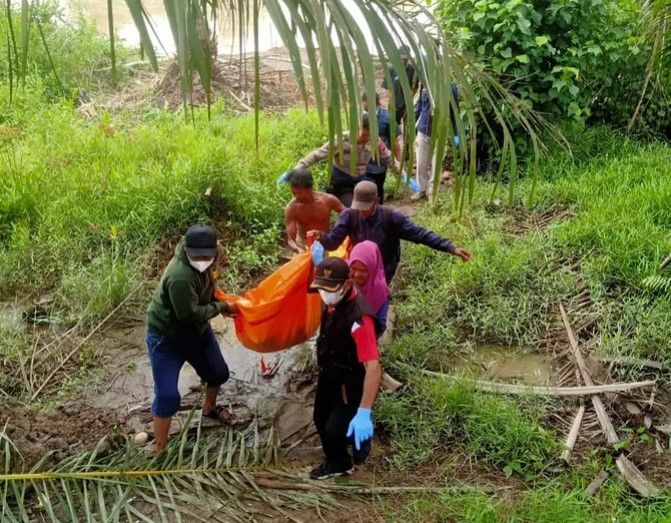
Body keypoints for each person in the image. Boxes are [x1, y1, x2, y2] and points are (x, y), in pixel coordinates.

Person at [146, 224, 239, 454]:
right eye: (197, 256)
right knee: (167, 396)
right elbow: (188, 314)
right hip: (167, 338)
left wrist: (218, 301)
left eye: (208, 256)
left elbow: (206, 289)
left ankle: (209, 409)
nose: (203, 260)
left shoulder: (213, 255)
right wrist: (221, 307)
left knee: (218, 373)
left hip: (197, 332)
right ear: (185, 249)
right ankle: (160, 449)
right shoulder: (179, 276)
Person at [308, 181, 471, 284]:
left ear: (377, 201)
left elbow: (420, 234)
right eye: (359, 207)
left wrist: (450, 247)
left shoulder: (391, 218)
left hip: (384, 268)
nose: (362, 212)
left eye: (366, 208)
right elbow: (334, 241)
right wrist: (321, 237)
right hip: (359, 266)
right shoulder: (349, 215)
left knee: (377, 297)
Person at [308, 257, 381, 479]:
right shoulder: (331, 298)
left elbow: (373, 366)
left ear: (347, 285)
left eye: (331, 289)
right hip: (329, 371)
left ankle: (341, 461)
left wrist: (365, 411)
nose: (325, 294)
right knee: (320, 417)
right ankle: (339, 456)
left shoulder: (360, 319)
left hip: (351, 380)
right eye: (322, 288)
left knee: (335, 428)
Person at [295, 112, 397, 207]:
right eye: (364, 135)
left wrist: (403, 173)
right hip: (342, 182)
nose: (367, 138)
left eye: (370, 135)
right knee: (353, 209)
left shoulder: (375, 140)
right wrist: (299, 167)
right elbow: (317, 155)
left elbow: (387, 156)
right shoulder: (340, 141)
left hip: (360, 179)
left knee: (371, 205)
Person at [412, 82, 461, 201]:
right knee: (421, 164)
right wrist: (414, 131)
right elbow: (419, 107)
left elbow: (455, 112)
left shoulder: (451, 88)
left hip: (440, 133)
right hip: (423, 130)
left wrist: (456, 134)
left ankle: (432, 193)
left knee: (436, 165)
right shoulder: (424, 83)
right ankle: (421, 189)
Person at [284, 168, 345, 253]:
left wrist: (338, 233)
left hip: (324, 242)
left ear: (310, 188)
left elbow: (349, 216)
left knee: (324, 265)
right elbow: (290, 240)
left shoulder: (328, 200)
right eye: (294, 193)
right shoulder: (292, 208)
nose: (296, 196)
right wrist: (298, 249)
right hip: (303, 244)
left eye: (300, 193)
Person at [362, 91, 401, 204]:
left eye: (365, 104)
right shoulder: (360, 116)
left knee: (378, 190)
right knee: (364, 191)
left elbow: (395, 142)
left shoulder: (387, 118)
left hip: (379, 163)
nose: (364, 108)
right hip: (363, 163)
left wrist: (398, 164)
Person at [348, 241, 391, 337]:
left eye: (363, 270)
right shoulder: (343, 278)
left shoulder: (380, 291)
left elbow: (380, 325)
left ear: (372, 269)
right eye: (353, 269)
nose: (356, 274)